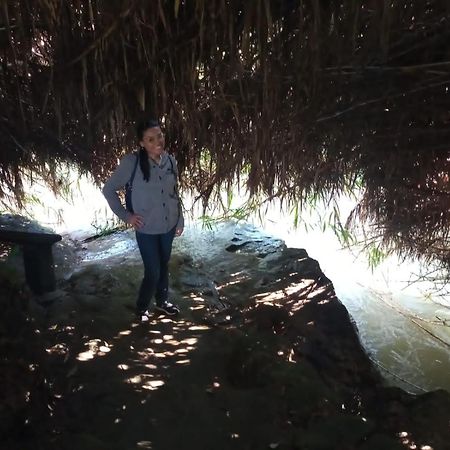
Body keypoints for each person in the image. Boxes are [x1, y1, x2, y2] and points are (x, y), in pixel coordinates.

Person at [102, 119, 184, 320]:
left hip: (169, 225)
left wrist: (180, 219)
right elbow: (108, 190)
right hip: (146, 229)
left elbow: (174, 192)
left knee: (163, 265)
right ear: (141, 143)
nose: (157, 141)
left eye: (160, 136)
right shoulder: (132, 163)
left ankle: (162, 302)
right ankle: (141, 307)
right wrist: (127, 216)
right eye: (150, 139)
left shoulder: (170, 161)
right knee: (153, 271)